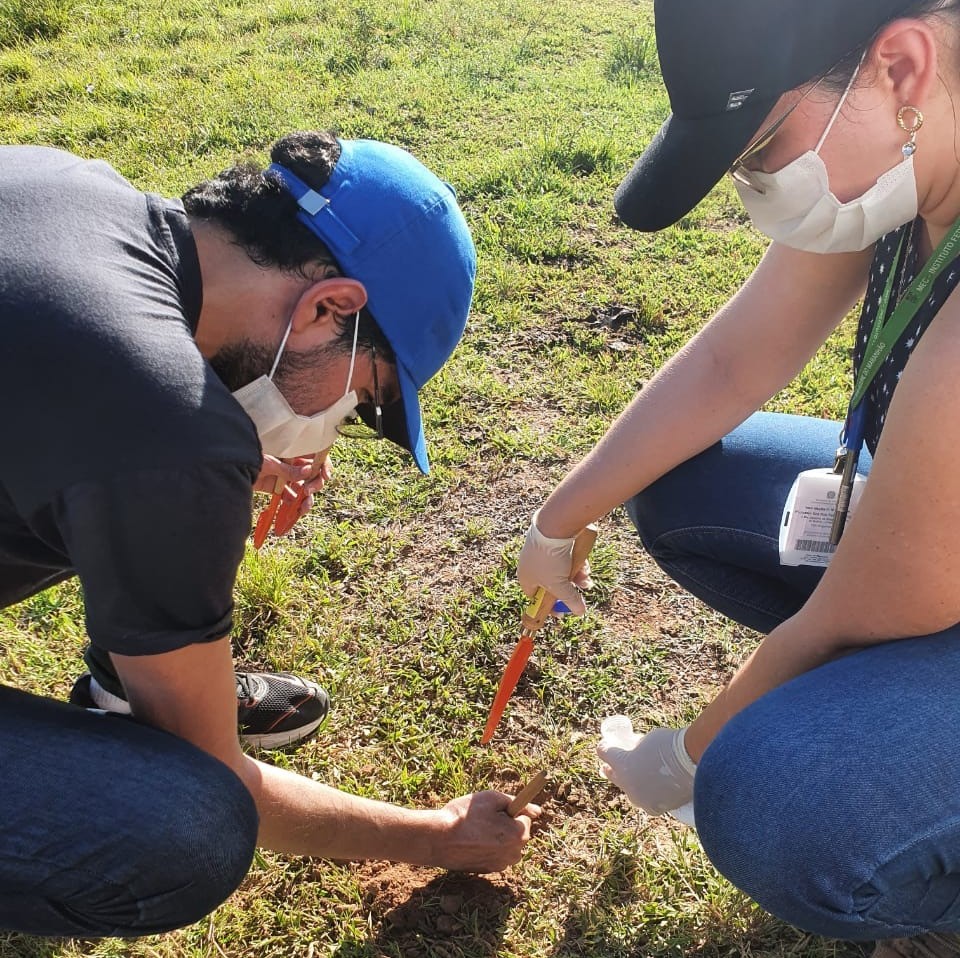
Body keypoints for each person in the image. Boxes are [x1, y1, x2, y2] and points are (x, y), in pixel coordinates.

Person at [0, 130, 538, 938]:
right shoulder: (167, 436)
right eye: (365, 400)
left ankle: (141, 674)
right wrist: (438, 836)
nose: (335, 424)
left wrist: (206, 457)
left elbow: (87, 401)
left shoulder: (67, 184)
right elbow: (218, 772)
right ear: (330, 307)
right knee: (186, 825)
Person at [516, 0, 960, 955]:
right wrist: (561, 514)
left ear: (902, 68)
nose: (754, 187)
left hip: (919, 584)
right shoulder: (916, 163)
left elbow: (873, 606)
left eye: (761, 147)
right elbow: (733, 361)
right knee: (684, 489)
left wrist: (688, 757)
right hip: (930, 547)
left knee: (771, 800)